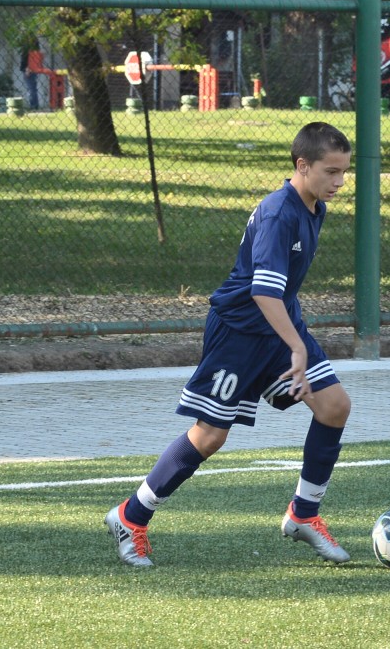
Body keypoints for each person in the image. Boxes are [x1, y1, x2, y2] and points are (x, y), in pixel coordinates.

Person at [105, 122, 354, 566]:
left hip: (277, 329)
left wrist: (292, 340)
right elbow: (263, 292)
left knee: (333, 406)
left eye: (344, 172)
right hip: (239, 334)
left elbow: (278, 295)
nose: (339, 182)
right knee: (210, 435)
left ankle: (303, 514)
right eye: (331, 172)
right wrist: (297, 348)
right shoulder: (279, 214)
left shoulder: (313, 205)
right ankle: (131, 516)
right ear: (302, 165)